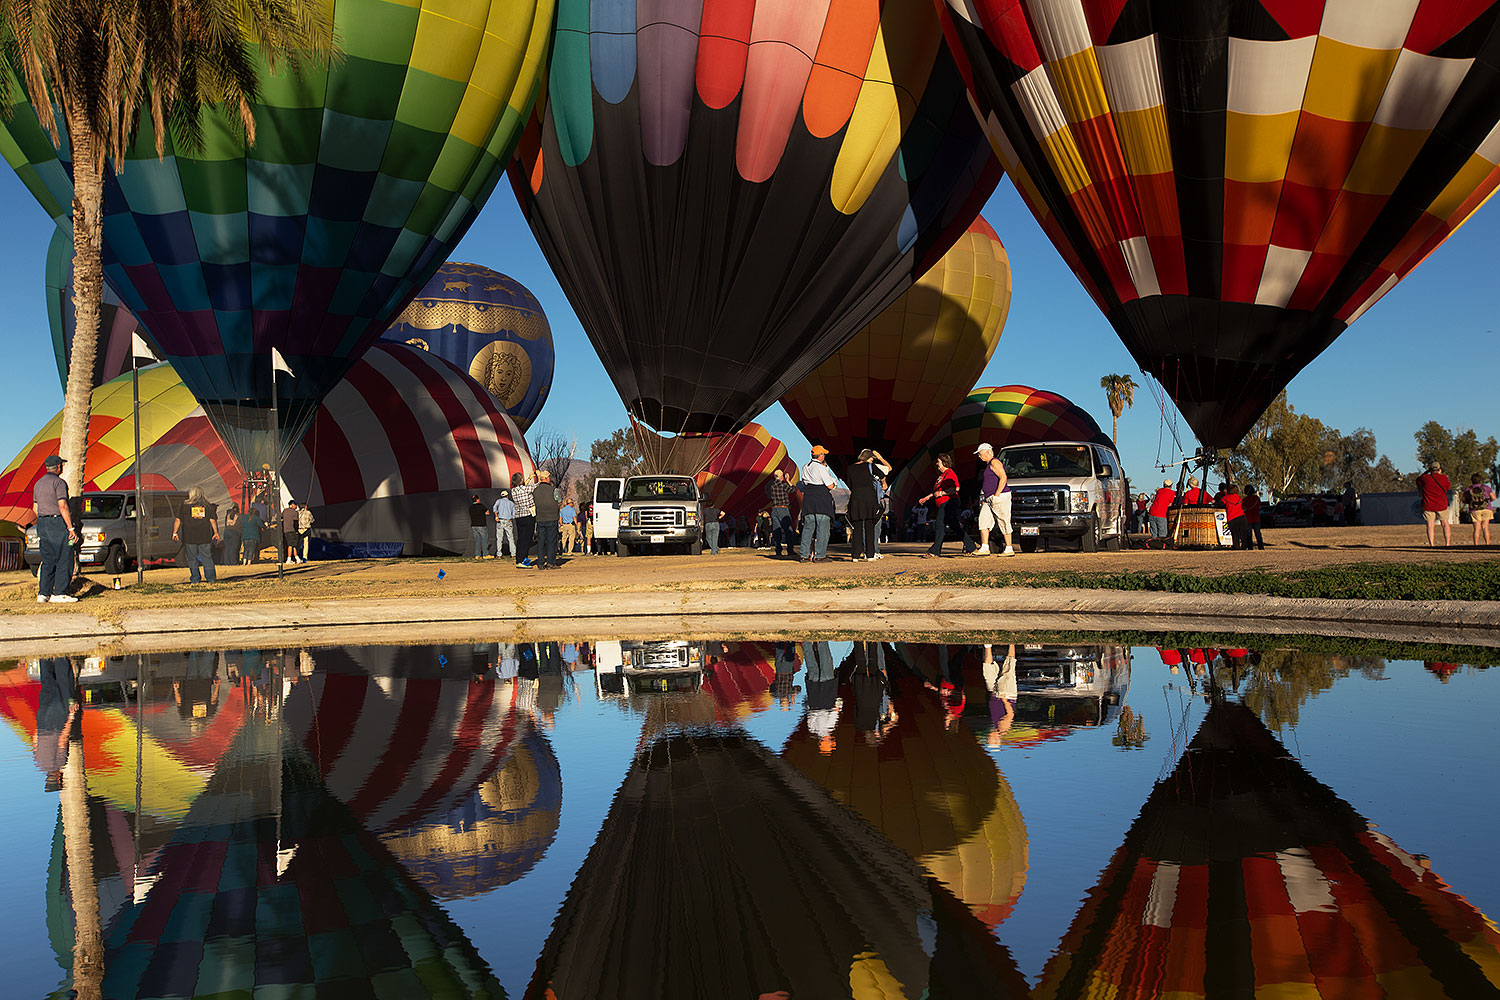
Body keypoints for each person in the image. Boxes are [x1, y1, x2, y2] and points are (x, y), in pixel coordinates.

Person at [32, 455, 78, 603]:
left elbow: (35, 508)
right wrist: (70, 528)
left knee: (48, 559)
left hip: (42, 523)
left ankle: (43, 593)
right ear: (58, 467)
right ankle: (59, 592)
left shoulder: (38, 484)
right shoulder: (59, 483)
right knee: (65, 556)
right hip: (57, 523)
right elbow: (62, 505)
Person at [918, 453, 976, 557]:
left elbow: (956, 488)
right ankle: (971, 546)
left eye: (938, 462)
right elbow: (936, 491)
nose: (936, 464)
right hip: (943, 503)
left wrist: (942, 493)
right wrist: (927, 497)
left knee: (940, 525)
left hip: (949, 502)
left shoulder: (950, 473)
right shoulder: (940, 476)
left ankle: (934, 551)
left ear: (944, 463)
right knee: (954, 525)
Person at [972, 442, 1015, 557]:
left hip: (999, 497)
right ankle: (985, 547)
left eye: (980, 454)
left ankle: (1009, 548)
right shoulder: (988, 464)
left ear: (987, 452)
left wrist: (997, 494)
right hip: (989, 498)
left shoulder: (995, 462)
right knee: (983, 520)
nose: (979, 456)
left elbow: (1003, 477)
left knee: (1003, 520)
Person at [846, 448, 890, 561]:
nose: (872, 461)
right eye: (871, 459)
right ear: (868, 458)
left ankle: (855, 556)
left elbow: (849, 484)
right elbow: (882, 474)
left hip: (856, 498)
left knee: (857, 528)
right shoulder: (870, 466)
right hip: (869, 498)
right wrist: (884, 483)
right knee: (870, 527)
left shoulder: (850, 468)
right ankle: (870, 555)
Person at [798, 445, 839, 562]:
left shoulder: (805, 467)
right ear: (820, 455)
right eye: (824, 454)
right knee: (823, 528)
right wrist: (834, 484)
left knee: (808, 528)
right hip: (821, 499)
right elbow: (830, 485)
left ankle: (804, 555)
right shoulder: (821, 468)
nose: (824, 456)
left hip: (809, 499)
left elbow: (804, 483)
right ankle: (820, 555)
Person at [173, 487, 220, 583]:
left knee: (192, 559)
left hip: (189, 536)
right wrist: (216, 532)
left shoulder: (184, 506)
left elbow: (178, 519)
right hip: (205, 536)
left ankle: (195, 579)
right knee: (207, 558)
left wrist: (175, 532)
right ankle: (211, 579)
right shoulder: (207, 506)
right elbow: (212, 520)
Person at [1417, 461, 1453, 547]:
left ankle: (1431, 544)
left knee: (1430, 525)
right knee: (1445, 524)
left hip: (1428, 504)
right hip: (1441, 504)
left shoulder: (1425, 478)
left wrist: (1426, 472)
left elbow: (1418, 479)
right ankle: (1447, 543)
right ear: (1439, 469)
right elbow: (1448, 487)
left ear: (1430, 469)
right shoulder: (1444, 478)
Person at [533, 470, 562, 568]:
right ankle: (551, 562)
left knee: (541, 542)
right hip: (552, 518)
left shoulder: (535, 491)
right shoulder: (554, 490)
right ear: (546, 478)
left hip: (540, 518)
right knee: (551, 541)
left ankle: (540, 563)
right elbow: (559, 501)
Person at [766, 468, 796, 558]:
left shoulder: (771, 486)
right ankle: (790, 550)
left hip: (774, 509)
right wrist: (788, 480)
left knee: (776, 530)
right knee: (788, 530)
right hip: (783, 509)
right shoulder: (783, 485)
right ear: (782, 476)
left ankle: (778, 550)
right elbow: (793, 490)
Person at [512, 472, 536, 566]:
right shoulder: (527, 489)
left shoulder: (513, 491)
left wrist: (529, 479)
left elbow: (522, 487)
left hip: (519, 517)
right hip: (528, 516)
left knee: (521, 539)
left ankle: (519, 560)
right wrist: (537, 475)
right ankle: (524, 561)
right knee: (527, 539)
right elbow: (537, 485)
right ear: (521, 480)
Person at [1464, 472, 1495, 546]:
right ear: (1480, 480)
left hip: (1474, 510)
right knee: (1485, 528)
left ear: (1471, 480)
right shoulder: (1486, 488)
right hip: (1486, 508)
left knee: (1476, 528)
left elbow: (1464, 500)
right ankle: (1487, 544)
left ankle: (1476, 544)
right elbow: (1494, 497)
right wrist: (1487, 501)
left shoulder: (1468, 489)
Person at [1221, 483, 1251, 550]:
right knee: (1243, 534)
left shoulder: (1226, 497)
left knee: (1235, 534)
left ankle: (1236, 547)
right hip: (1242, 517)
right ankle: (1244, 547)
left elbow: (1220, 503)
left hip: (1232, 518)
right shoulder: (1239, 498)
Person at [1148, 478, 1175, 546]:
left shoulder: (1160, 491)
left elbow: (1154, 500)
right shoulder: (1172, 493)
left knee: (1154, 532)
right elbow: (1170, 504)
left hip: (1152, 512)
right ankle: (1161, 545)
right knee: (1162, 533)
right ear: (1171, 485)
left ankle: (1153, 545)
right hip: (1161, 514)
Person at [493, 487, 516, 560]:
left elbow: (494, 508)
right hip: (508, 521)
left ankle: (499, 554)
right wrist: (510, 519)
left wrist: (496, 516)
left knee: (499, 538)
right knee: (510, 538)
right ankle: (513, 554)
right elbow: (514, 513)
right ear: (507, 496)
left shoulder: (498, 501)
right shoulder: (511, 503)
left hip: (500, 520)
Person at [468, 493, 492, 558]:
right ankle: (485, 554)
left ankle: (477, 555)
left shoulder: (471, 507)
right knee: (484, 540)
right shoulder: (481, 506)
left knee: (477, 540)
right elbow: (487, 513)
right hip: (482, 525)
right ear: (477, 500)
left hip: (474, 525)